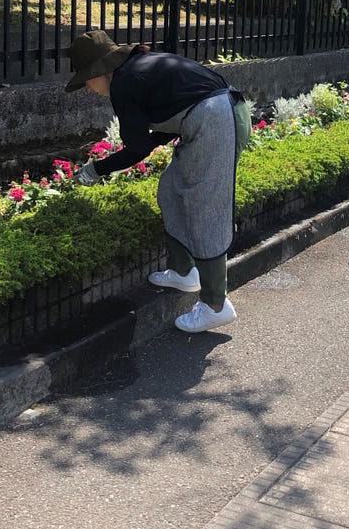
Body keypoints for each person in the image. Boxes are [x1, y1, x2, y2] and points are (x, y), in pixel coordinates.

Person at [64, 30, 251, 333]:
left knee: (204, 207)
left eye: (86, 79)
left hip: (216, 121)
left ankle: (216, 305)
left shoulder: (124, 83)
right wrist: (129, 153)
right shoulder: (138, 69)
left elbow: (137, 149)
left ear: (101, 70)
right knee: (171, 190)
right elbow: (172, 116)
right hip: (218, 115)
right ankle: (183, 272)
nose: (87, 87)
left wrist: (95, 169)